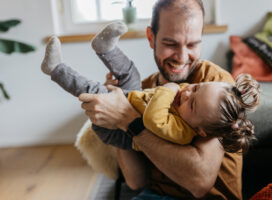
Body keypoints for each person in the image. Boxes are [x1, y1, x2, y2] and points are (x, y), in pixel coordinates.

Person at [78, 0, 250, 199]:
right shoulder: (144, 91)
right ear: (151, 38)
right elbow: (136, 181)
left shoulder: (214, 86)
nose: (182, 57)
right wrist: (117, 119)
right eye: (170, 44)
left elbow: (200, 182)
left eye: (192, 44)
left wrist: (129, 119)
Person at [41, 21, 259, 154]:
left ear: (200, 130)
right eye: (197, 87)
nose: (187, 91)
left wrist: (170, 89)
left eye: (192, 104)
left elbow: (152, 118)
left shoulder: (182, 132)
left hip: (115, 131)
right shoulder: (186, 107)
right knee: (130, 73)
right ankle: (105, 48)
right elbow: (149, 97)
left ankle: (55, 69)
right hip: (131, 99)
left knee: (96, 91)